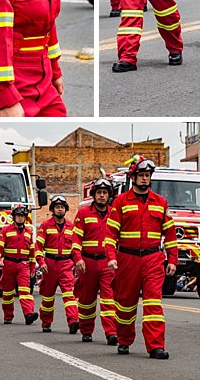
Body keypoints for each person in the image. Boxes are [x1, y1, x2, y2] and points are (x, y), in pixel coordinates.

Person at [105, 154, 178, 360]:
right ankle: (124, 339)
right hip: (127, 260)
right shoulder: (121, 202)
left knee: (153, 303)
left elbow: (170, 234)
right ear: (133, 177)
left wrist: (172, 259)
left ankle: (156, 346)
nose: (145, 179)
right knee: (125, 304)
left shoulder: (160, 202)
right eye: (141, 175)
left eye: (147, 175)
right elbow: (110, 235)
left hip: (153, 258)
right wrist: (111, 257)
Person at [73, 177, 118, 344]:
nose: (101, 196)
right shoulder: (84, 213)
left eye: (104, 193)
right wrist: (77, 259)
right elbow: (76, 238)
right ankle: (86, 330)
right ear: (93, 195)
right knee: (86, 299)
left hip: (107, 263)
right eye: (98, 192)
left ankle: (111, 333)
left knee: (109, 299)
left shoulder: (114, 213)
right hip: (88, 263)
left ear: (109, 195)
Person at [35, 195, 79, 334]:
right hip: (50, 265)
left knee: (69, 295)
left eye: (62, 207)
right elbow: (38, 246)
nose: (59, 209)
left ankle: (73, 321)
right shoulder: (45, 226)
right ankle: (46, 323)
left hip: (66, 264)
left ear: (65, 209)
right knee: (48, 296)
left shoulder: (71, 227)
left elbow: (76, 247)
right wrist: (41, 262)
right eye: (57, 207)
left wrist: (77, 262)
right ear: (53, 209)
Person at [0, 205, 38, 326]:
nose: (20, 218)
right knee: (7, 293)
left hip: (23, 265)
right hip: (9, 264)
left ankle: (29, 314)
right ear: (14, 217)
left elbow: (32, 252)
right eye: (18, 215)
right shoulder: (6, 231)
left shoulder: (29, 233)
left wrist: (33, 267)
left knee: (25, 291)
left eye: (22, 216)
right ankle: (8, 316)